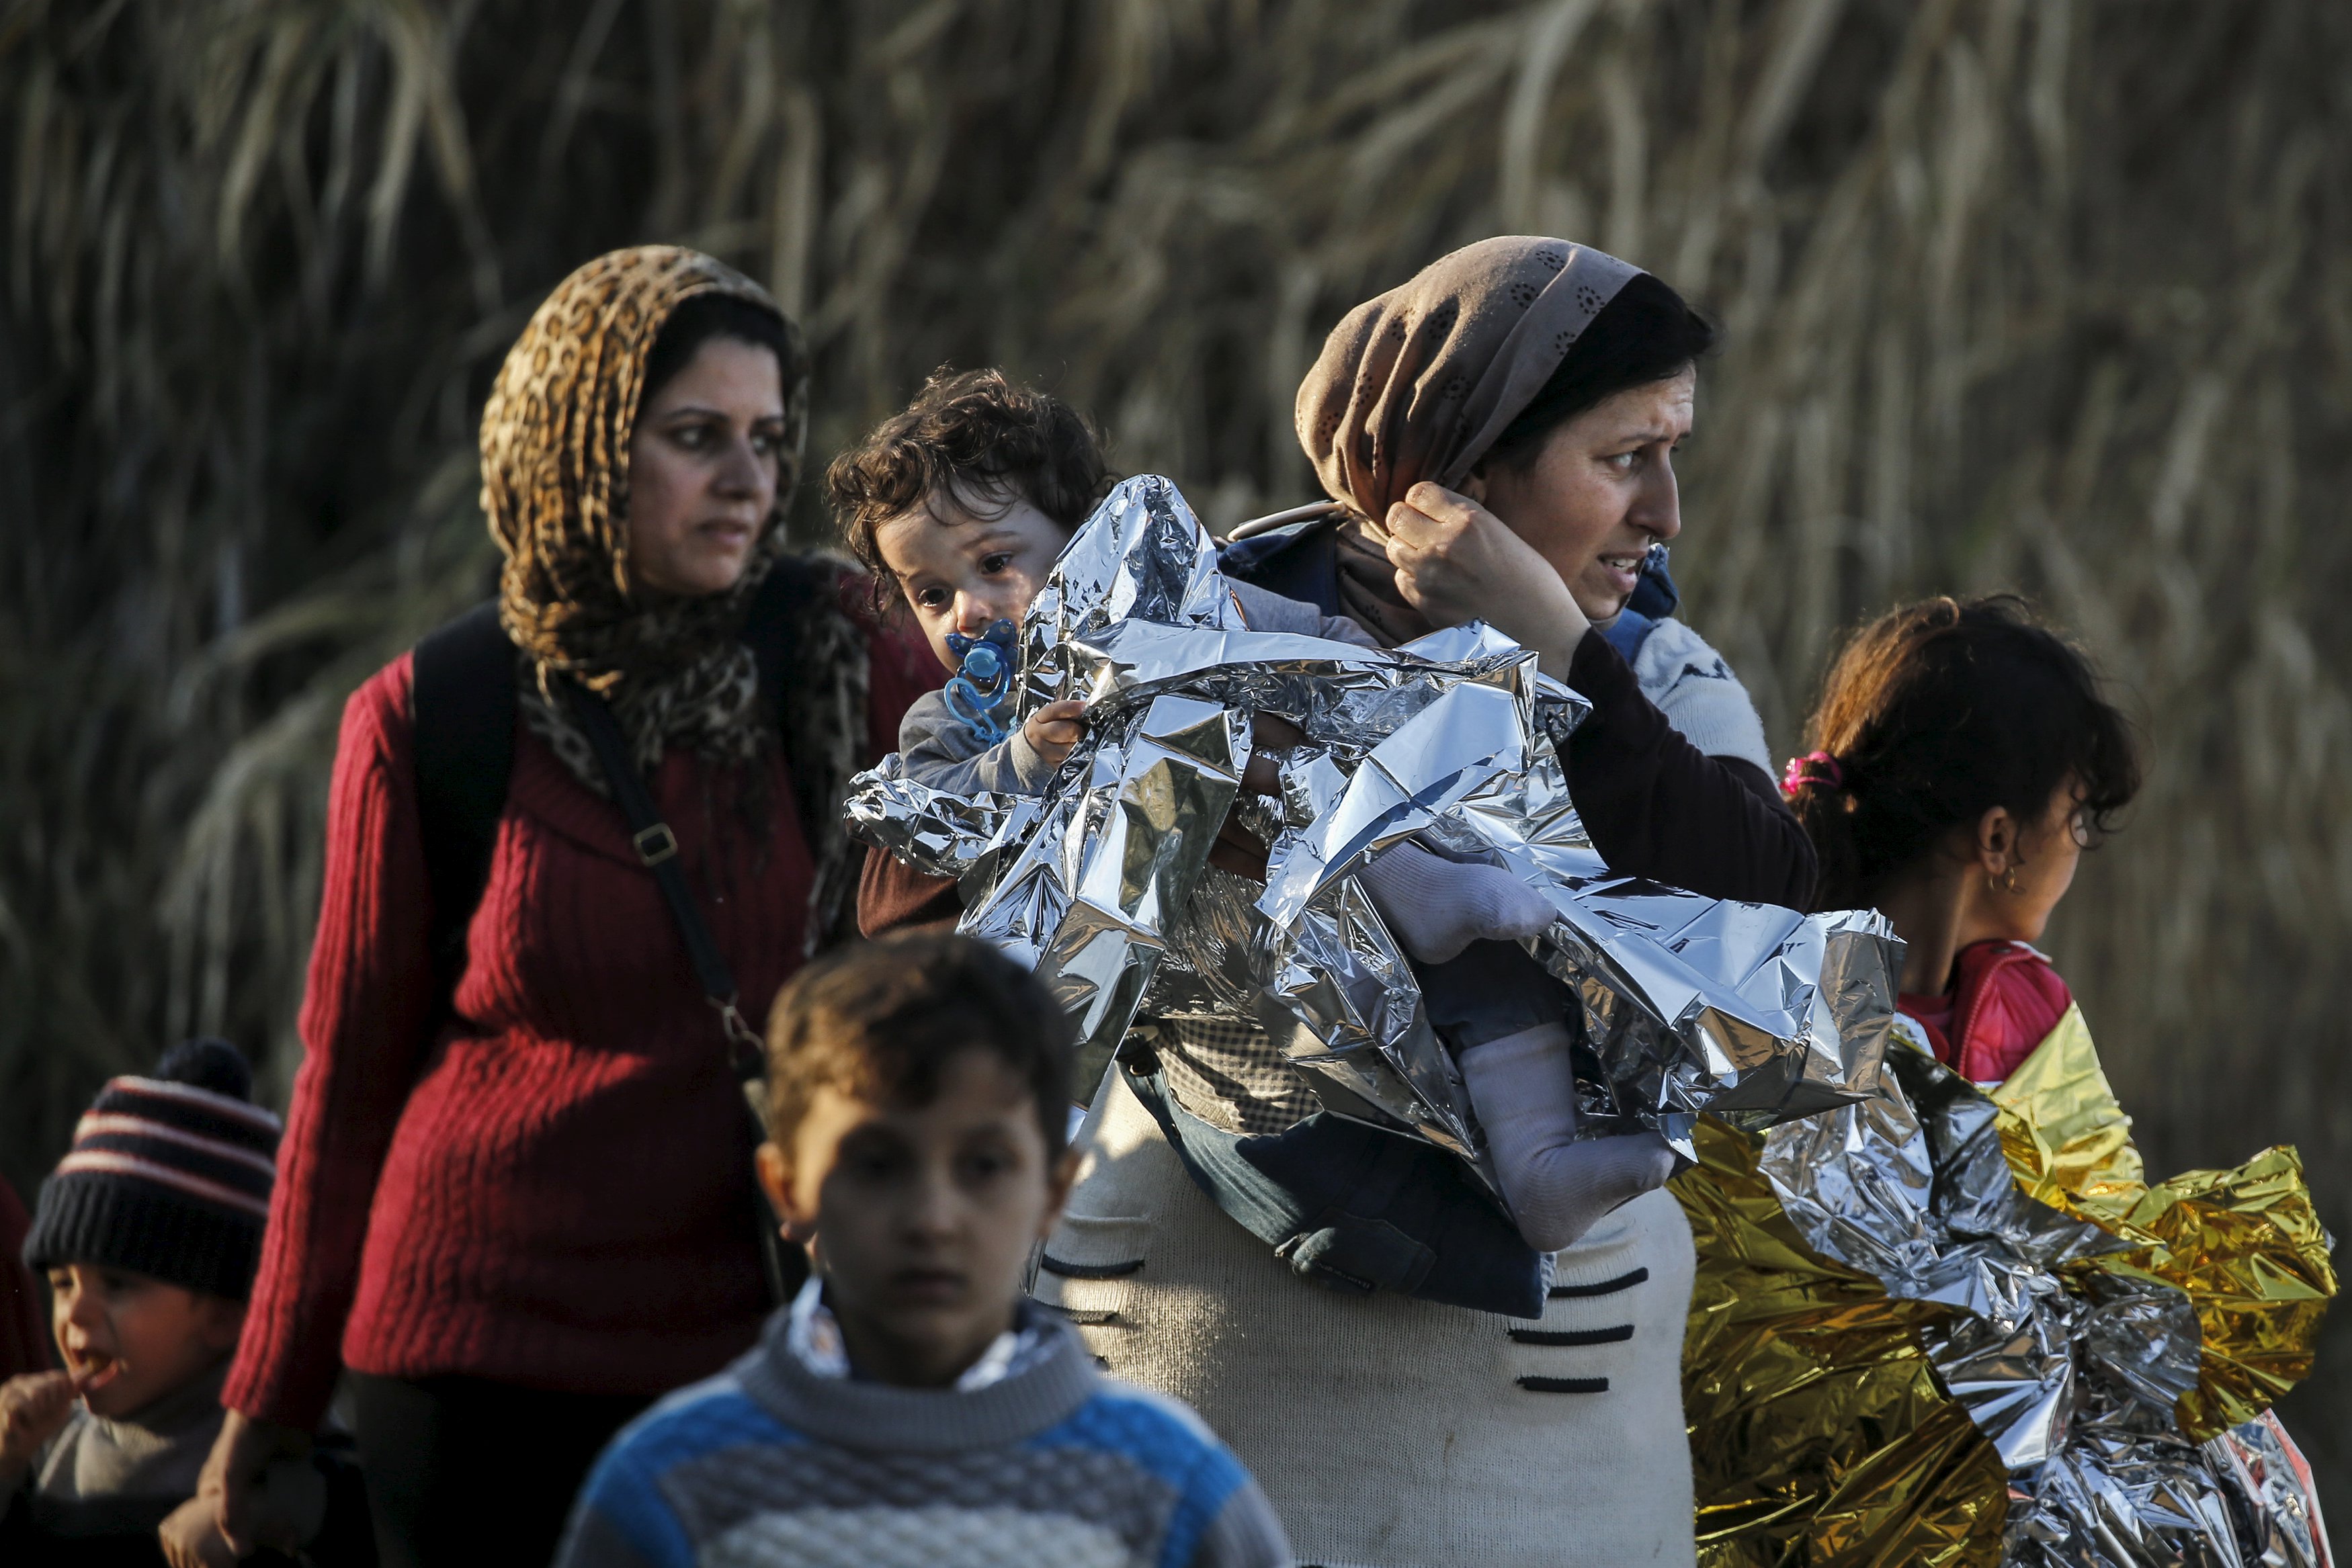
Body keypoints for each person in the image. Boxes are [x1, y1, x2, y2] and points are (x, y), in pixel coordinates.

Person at [863, 237, 1783, 1566]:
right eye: (1622, 456)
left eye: (1672, 455)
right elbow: (955, 967)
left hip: (1546, 1455)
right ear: (1467, 462)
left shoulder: (1656, 685)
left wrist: (1561, 654)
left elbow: (1756, 973)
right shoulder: (1194, 616)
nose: (1665, 513)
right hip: (1188, 1423)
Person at [191, 248, 938, 1568]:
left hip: (761, 1348)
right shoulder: (438, 716)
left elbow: (964, 940)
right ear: (581, 445)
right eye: (695, 437)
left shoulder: (838, 649)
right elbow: (349, 1084)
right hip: (475, 1367)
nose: (747, 480)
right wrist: (268, 1407)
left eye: (767, 440)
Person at [841, 368, 1671, 1254]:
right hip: (1215, 984)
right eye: (930, 593)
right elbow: (923, 824)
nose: (967, 609)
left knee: (1491, 943)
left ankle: (1537, 1155)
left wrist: (1335, 686)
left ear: (1089, 539)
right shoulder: (956, 719)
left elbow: (1316, 643)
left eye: (996, 563)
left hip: (1339, 861)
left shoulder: (1196, 600)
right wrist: (1021, 759)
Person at [553, 932, 1292, 1568]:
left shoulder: (1166, 1484)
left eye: (983, 1167)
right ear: (788, 1188)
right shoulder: (673, 1486)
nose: (931, 1218)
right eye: (875, 1165)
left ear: (1054, 1191)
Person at [2, 1039, 368, 1567]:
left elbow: (367, 1524)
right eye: (62, 1284)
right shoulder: (48, 1452)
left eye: (118, 1285)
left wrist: (253, 1515)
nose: (75, 1313)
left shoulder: (284, 1459)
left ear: (224, 1316)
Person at [1779, 595, 2140, 1078]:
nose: (2078, 842)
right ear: (1998, 839)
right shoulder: (1784, 1009)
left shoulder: (2035, 1015)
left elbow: (2093, 1154)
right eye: (2076, 817)